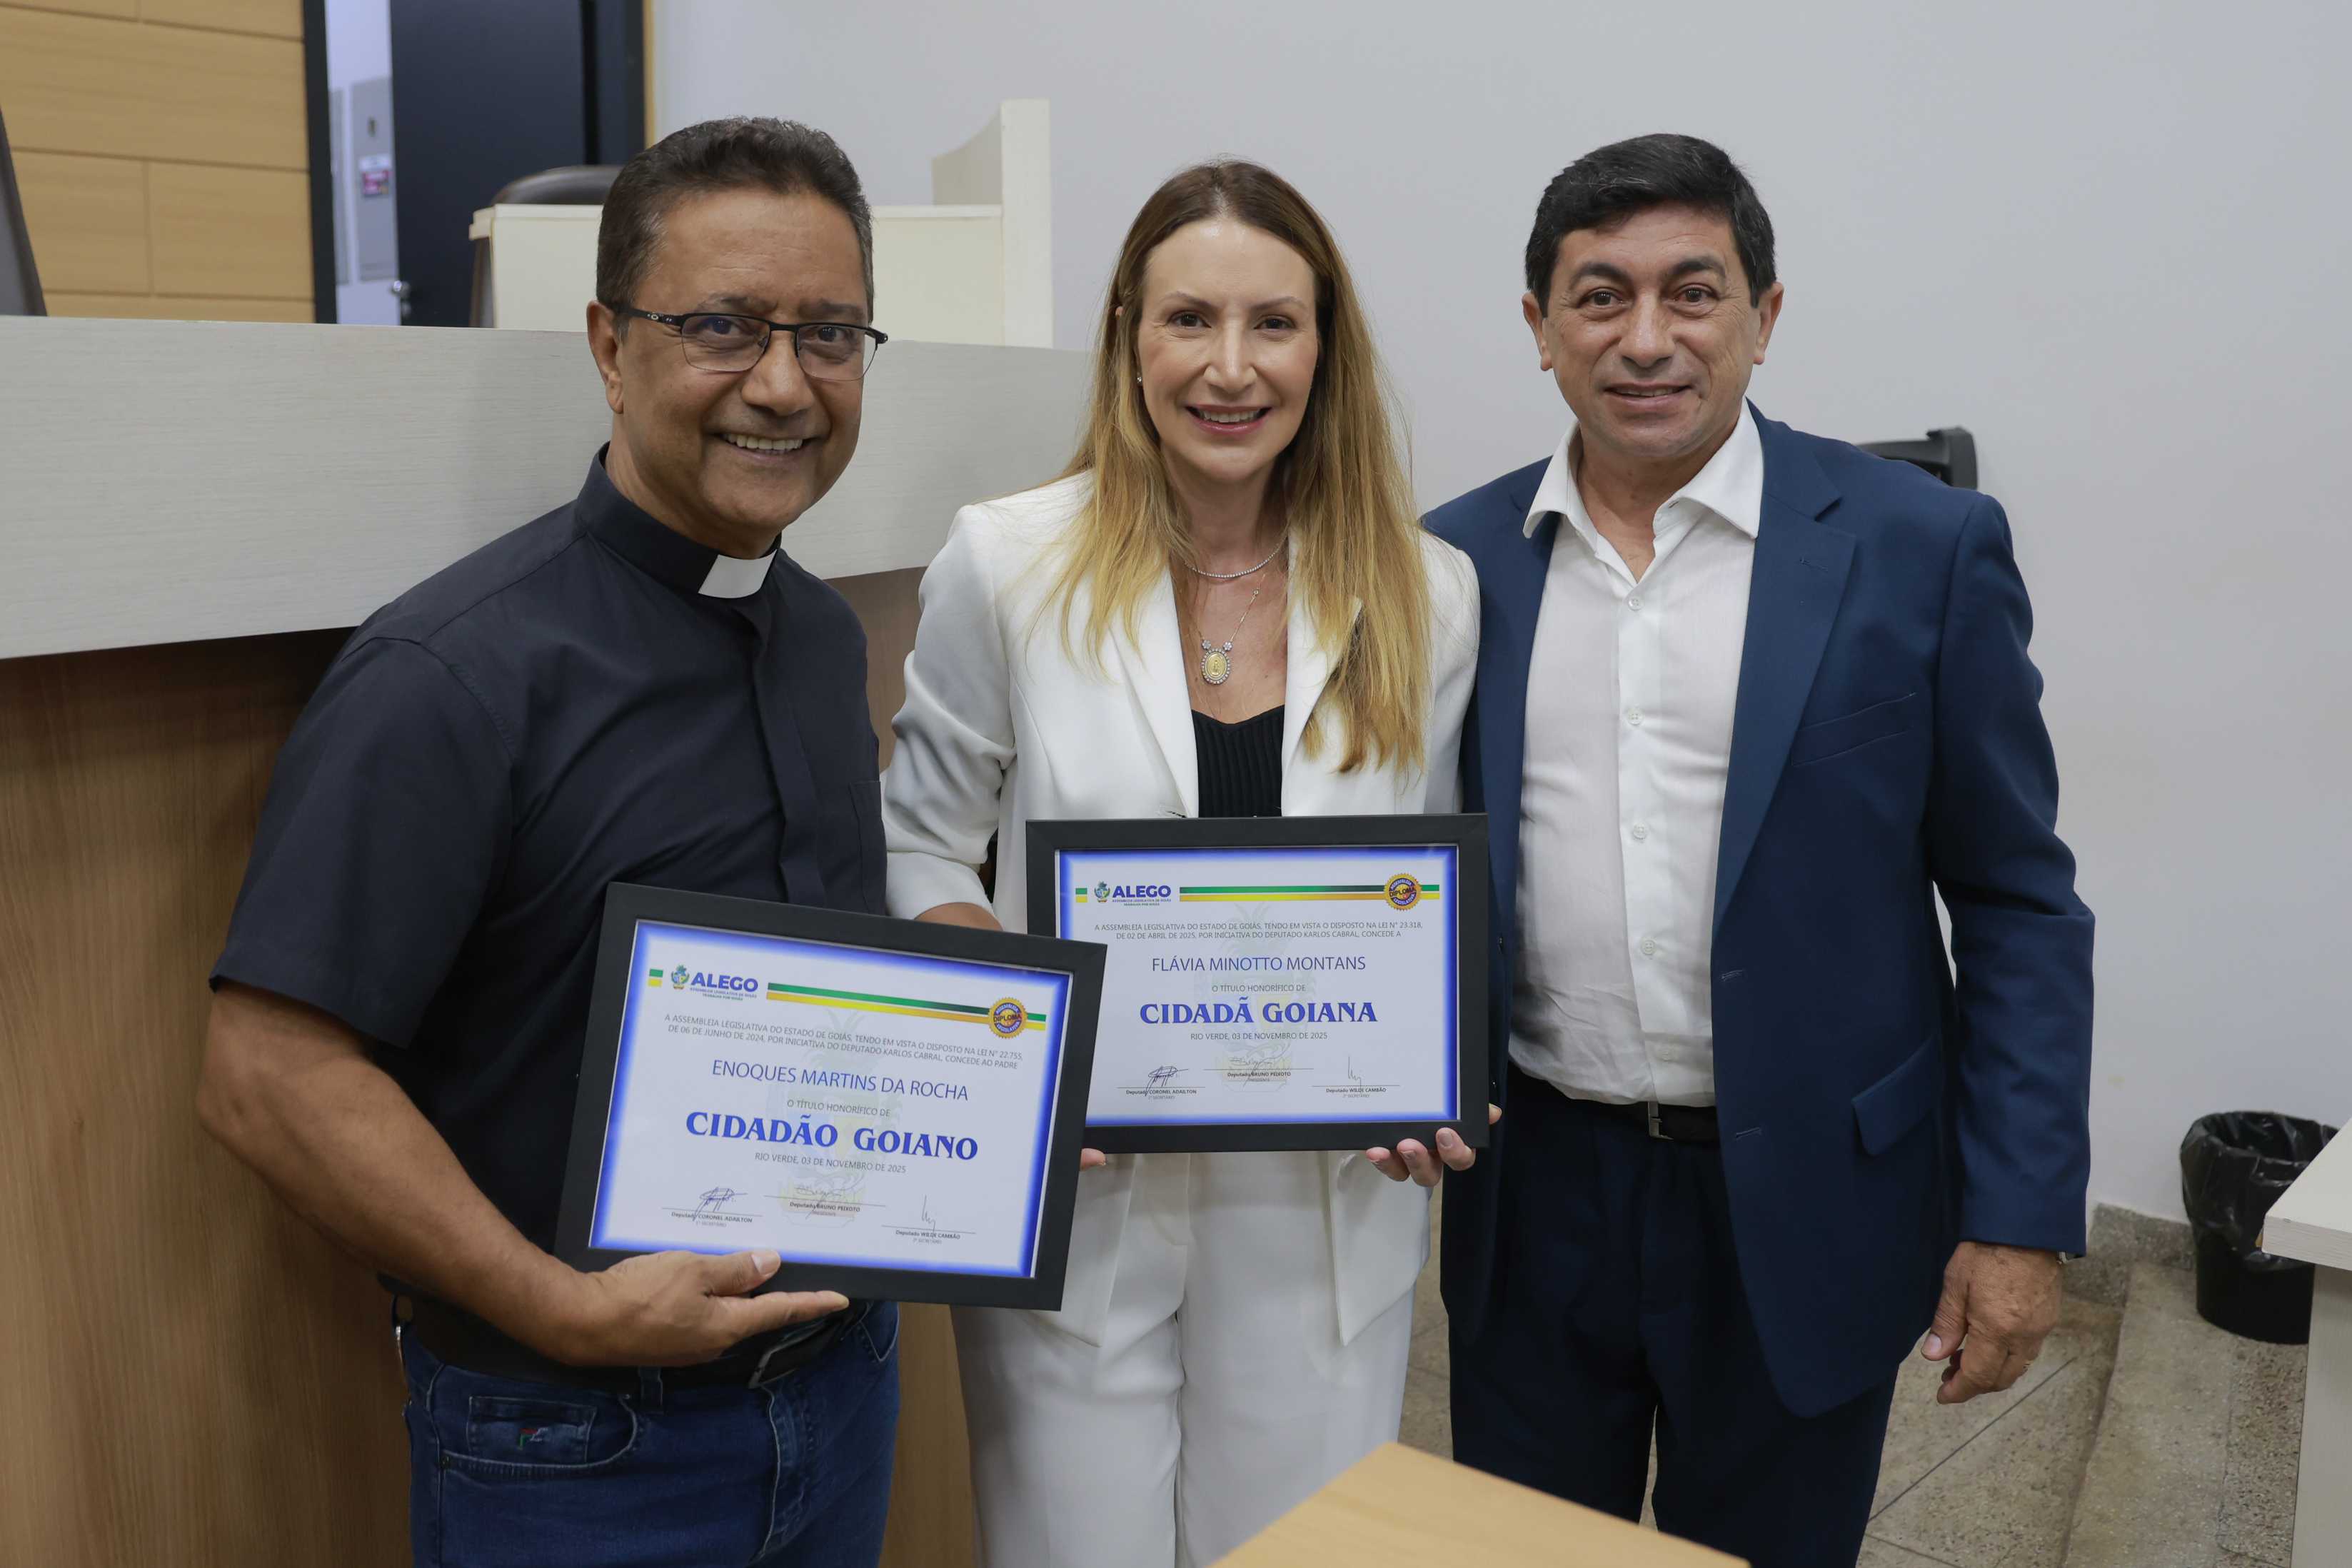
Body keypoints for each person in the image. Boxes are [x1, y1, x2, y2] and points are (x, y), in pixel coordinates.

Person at [196, 119, 901, 1568]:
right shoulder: (452, 675)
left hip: (839, 1392)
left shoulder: (824, 638)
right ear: (609, 346)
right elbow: (266, 1076)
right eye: (722, 326)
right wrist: (563, 1308)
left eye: (828, 334)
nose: (783, 383)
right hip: (580, 1448)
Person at [1427, 134, 2095, 1567]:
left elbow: (2018, 900)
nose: (1645, 339)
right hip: (1535, 1197)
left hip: (1809, 1201)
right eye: (1599, 297)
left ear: (1764, 315)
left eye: (1693, 292)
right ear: (1539, 327)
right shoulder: (1449, 565)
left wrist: (2017, 1221)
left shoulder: (1922, 547)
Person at [880, 161, 1483, 1567]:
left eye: (1273, 323)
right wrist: (1016, 1031)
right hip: (1083, 1183)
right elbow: (920, 841)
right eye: (1189, 320)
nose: (1230, 367)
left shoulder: (1425, 591)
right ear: (1127, 338)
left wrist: (1431, 1065)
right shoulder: (1006, 562)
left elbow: (1429, 886)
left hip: (1325, 1202)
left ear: (1324, 347)